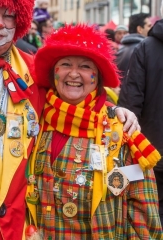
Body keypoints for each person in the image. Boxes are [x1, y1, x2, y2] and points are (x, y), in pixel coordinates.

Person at [0, 1, 142, 239]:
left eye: (9, 16)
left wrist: (112, 111)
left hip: (18, 225)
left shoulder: (34, 70)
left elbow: (72, 100)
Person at [26, 24, 162, 239]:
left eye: (85, 66)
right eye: (65, 64)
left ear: (97, 76)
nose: (73, 73)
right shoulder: (33, 118)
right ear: (54, 72)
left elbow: (142, 202)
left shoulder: (121, 129)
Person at [118, 1, 163, 226]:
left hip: (149, 153)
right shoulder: (146, 48)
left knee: (149, 217)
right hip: (150, 156)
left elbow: (129, 106)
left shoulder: (146, 48)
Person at [116, 13, 152, 87]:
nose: (152, 29)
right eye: (149, 26)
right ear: (140, 29)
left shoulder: (120, 49)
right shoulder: (144, 50)